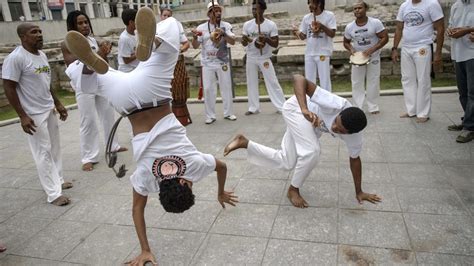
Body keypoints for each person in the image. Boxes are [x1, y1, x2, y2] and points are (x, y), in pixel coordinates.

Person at [64, 8, 238, 265]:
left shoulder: (193, 164)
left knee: (170, 48)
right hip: (126, 103)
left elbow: (222, 166)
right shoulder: (148, 178)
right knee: (98, 82)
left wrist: (220, 191)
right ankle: (90, 66)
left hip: (153, 91)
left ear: (183, 184)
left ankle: (151, 42)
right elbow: (137, 209)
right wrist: (145, 250)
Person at [224, 74, 381, 208]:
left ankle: (244, 143)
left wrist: (359, 191)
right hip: (296, 109)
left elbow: (355, 160)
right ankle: (293, 189)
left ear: (350, 133)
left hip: (310, 124)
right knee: (312, 151)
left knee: (287, 161)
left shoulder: (355, 138)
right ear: (340, 113)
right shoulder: (336, 104)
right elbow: (299, 78)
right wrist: (304, 108)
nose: (334, 127)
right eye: (335, 122)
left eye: (340, 131)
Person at [2, 23, 73, 206]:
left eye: (40, 31)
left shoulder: (41, 55)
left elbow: (46, 82)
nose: (39, 35)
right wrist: (22, 116)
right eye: (34, 32)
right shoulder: (16, 58)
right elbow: (9, 87)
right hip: (33, 114)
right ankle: (53, 193)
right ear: (23, 37)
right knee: (43, 152)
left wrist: (57, 103)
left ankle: (58, 180)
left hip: (48, 109)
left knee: (55, 148)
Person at [62, 10, 127, 171]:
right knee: (88, 120)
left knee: (107, 114)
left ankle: (113, 145)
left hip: (99, 81)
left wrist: (103, 54)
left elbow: (101, 64)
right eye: (80, 23)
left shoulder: (92, 40)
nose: (84, 25)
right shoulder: (67, 43)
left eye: (86, 22)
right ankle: (89, 157)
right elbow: (73, 66)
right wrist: (96, 55)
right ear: (72, 25)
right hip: (84, 86)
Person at [391, 0, 445, 123]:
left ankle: (423, 112)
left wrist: (438, 52)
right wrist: (394, 48)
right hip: (406, 47)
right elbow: (399, 28)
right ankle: (412, 110)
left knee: (423, 79)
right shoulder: (404, 5)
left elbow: (440, 28)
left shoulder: (431, 4)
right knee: (407, 79)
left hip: (423, 46)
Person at [191, 1, 237, 124]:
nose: (218, 13)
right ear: (209, 13)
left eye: (219, 11)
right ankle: (210, 115)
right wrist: (195, 37)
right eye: (215, 11)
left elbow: (233, 41)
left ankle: (229, 113)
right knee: (208, 89)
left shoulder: (226, 25)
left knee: (226, 87)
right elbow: (195, 46)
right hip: (207, 63)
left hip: (222, 61)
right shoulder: (201, 28)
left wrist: (224, 34)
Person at [241, 0, 286, 115]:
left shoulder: (270, 25)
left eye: (256, 9)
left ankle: (281, 106)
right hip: (251, 57)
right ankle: (253, 108)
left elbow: (275, 44)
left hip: (265, 57)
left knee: (272, 81)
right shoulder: (247, 25)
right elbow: (244, 43)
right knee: (251, 82)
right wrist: (244, 40)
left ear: (263, 9)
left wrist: (266, 39)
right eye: (253, 9)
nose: (254, 11)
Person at [343, 1, 388, 115]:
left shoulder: (375, 23)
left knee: (373, 81)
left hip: (373, 56)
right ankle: (358, 107)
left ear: (366, 9)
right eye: (355, 8)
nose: (357, 10)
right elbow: (346, 42)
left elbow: (385, 38)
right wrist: (352, 50)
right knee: (357, 82)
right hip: (358, 58)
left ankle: (373, 107)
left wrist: (372, 50)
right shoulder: (350, 27)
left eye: (359, 8)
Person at [292, 0, 336, 92]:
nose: (309, 5)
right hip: (309, 53)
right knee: (309, 80)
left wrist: (321, 26)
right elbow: (303, 36)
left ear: (319, 3)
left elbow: (332, 34)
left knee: (324, 81)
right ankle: (311, 103)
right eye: (308, 3)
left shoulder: (329, 15)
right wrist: (297, 32)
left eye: (311, 3)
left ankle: (327, 103)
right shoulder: (306, 18)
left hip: (323, 52)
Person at [446, 0, 474, 143]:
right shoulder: (456, 5)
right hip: (458, 53)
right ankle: (468, 119)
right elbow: (451, 25)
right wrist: (450, 30)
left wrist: (468, 30)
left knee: (472, 92)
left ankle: (469, 127)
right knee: (463, 91)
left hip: (472, 53)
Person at [161, 7, 193, 126]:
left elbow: (186, 44)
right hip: (164, 65)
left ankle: (179, 116)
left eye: (169, 16)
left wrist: (179, 50)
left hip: (177, 63)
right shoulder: (158, 28)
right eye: (164, 15)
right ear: (161, 16)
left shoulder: (176, 26)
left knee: (179, 89)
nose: (166, 18)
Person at [118, 8, 139, 72]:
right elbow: (126, 60)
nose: (139, 22)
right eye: (137, 20)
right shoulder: (124, 38)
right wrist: (140, 53)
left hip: (136, 68)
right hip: (128, 71)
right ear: (131, 22)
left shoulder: (136, 32)